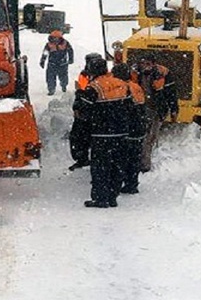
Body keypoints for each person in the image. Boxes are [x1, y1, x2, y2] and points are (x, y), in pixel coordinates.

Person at [73, 55, 132, 208]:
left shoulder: (95, 87)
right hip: (122, 132)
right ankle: (113, 196)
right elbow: (131, 106)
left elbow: (82, 108)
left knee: (100, 167)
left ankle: (101, 198)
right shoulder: (122, 84)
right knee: (117, 165)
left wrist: (79, 93)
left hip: (102, 133)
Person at [132, 53, 179, 172]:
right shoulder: (133, 73)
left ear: (154, 64)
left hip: (156, 109)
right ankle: (137, 163)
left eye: (148, 64)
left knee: (150, 138)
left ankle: (144, 165)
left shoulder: (163, 74)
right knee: (139, 137)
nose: (145, 66)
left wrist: (174, 109)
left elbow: (171, 93)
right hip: (138, 109)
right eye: (142, 63)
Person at [111, 62, 147, 194]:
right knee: (134, 157)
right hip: (139, 127)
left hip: (127, 129)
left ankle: (120, 183)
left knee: (122, 158)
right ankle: (132, 183)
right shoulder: (136, 87)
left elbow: (121, 109)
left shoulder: (121, 88)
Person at [39, 29, 74, 95]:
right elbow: (45, 53)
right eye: (53, 38)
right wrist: (42, 61)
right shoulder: (48, 44)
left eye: (57, 38)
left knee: (63, 77)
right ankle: (51, 90)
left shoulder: (65, 43)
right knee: (50, 78)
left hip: (63, 64)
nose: (55, 39)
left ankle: (64, 86)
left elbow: (70, 51)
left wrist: (71, 59)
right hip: (52, 64)